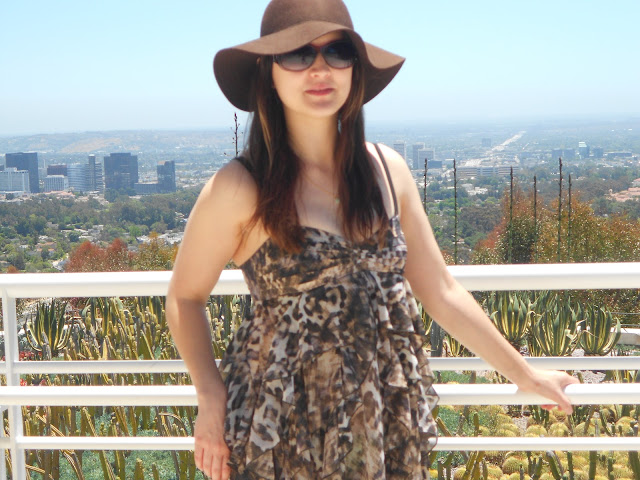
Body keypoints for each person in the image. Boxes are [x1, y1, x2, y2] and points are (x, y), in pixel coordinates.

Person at [166, 0, 579, 478]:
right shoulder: (242, 186)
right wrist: (210, 396)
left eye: (338, 52)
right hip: (280, 428)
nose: (320, 68)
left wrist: (525, 375)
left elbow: (441, 292)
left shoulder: (388, 171)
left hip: (381, 418)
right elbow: (184, 297)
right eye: (298, 53)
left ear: (355, 70)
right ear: (268, 73)